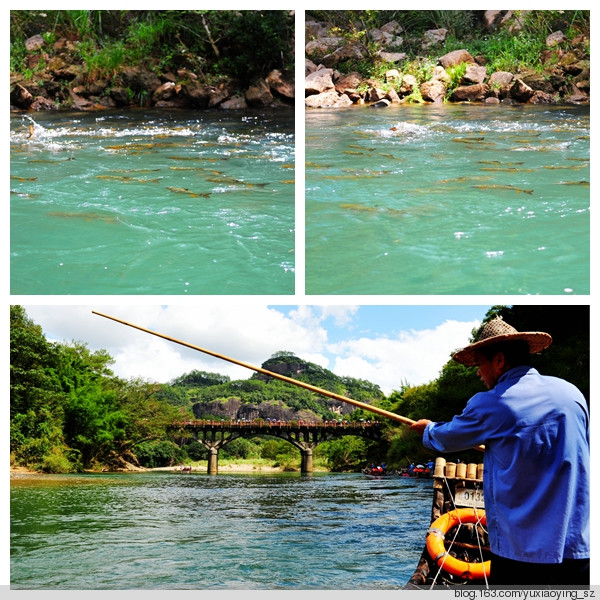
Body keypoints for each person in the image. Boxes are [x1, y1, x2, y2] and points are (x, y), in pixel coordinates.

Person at [410, 317, 589, 587]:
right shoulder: (572, 394)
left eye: (479, 364)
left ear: (499, 360)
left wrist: (428, 429)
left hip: (524, 551)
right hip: (580, 547)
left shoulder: (493, 403)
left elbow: (446, 438)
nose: (478, 373)